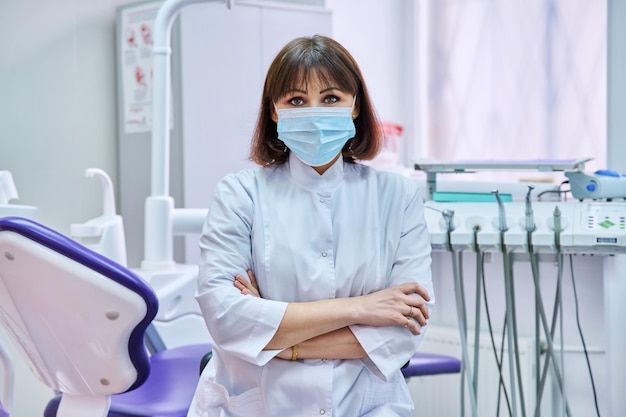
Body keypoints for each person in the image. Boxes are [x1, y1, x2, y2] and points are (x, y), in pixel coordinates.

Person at [188, 35, 434, 417]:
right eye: (297, 100)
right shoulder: (240, 194)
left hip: (366, 404)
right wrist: (364, 307)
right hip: (257, 403)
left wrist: (279, 340)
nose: (315, 112)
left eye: (331, 98)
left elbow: (403, 329)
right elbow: (227, 320)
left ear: (355, 107)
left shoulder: (397, 196)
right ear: (274, 110)